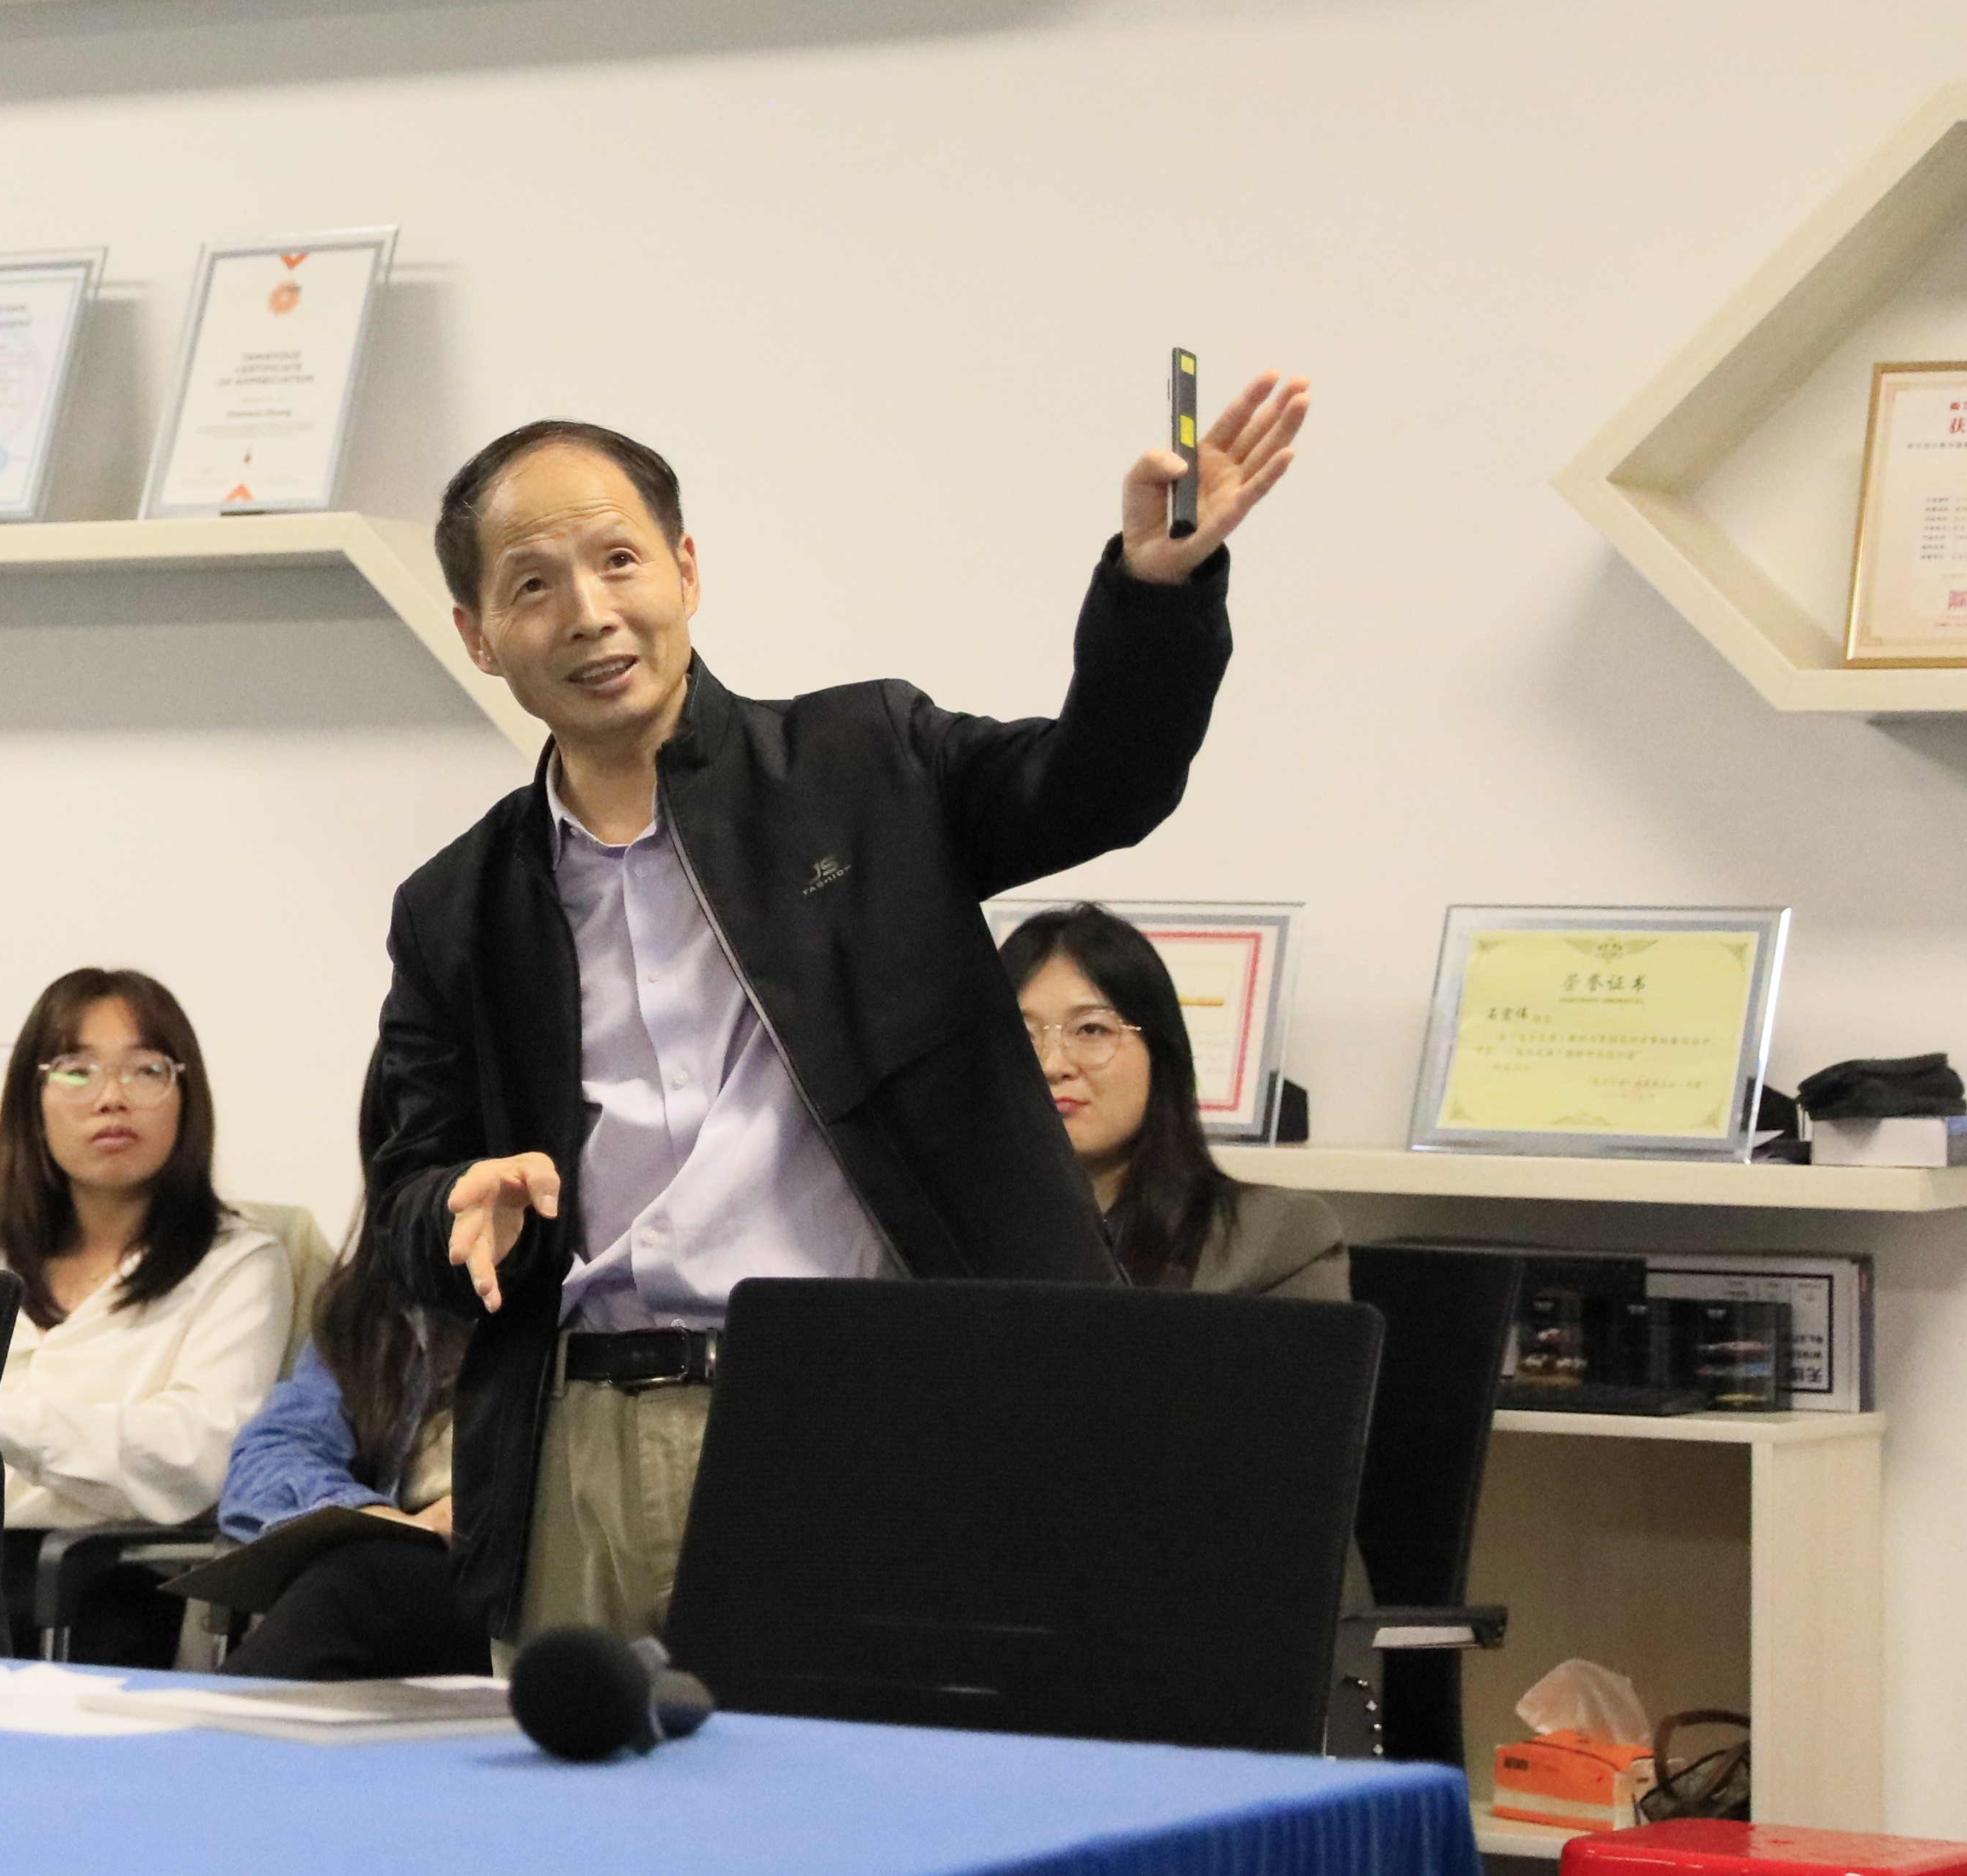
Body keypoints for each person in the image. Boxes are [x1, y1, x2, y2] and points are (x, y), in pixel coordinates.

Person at [364, 382, 1306, 1648]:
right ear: (479, 635)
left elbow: (1099, 783)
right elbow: (407, 1194)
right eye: (533, 585)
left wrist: (1154, 594)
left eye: (619, 560)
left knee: (871, 1759)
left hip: (861, 1410)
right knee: (577, 1777)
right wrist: (452, 1206)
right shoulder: (457, 906)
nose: (589, 611)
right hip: (577, 1443)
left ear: (687, 571)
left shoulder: (866, 765)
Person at [0, 966, 292, 1658]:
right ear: (32, 1100)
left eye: (145, 1070)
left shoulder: (237, 1263)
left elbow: (195, 1451)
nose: (111, 1097)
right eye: (76, 1070)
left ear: (185, 1095)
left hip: (107, 1585)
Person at [997, 903, 1345, 1300]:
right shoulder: (947, 1237)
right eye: (1021, 1035)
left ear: (1160, 1055)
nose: (1052, 1065)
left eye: (1091, 1029)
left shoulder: (1274, 1240)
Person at [209, 1203, 485, 1683]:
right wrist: (378, 1518)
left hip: (528, 1587)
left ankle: (205, 1727)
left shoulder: (589, 1298)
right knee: (364, 1575)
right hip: (409, 1561)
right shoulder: (377, 1303)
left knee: (361, 1585)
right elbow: (268, 1457)